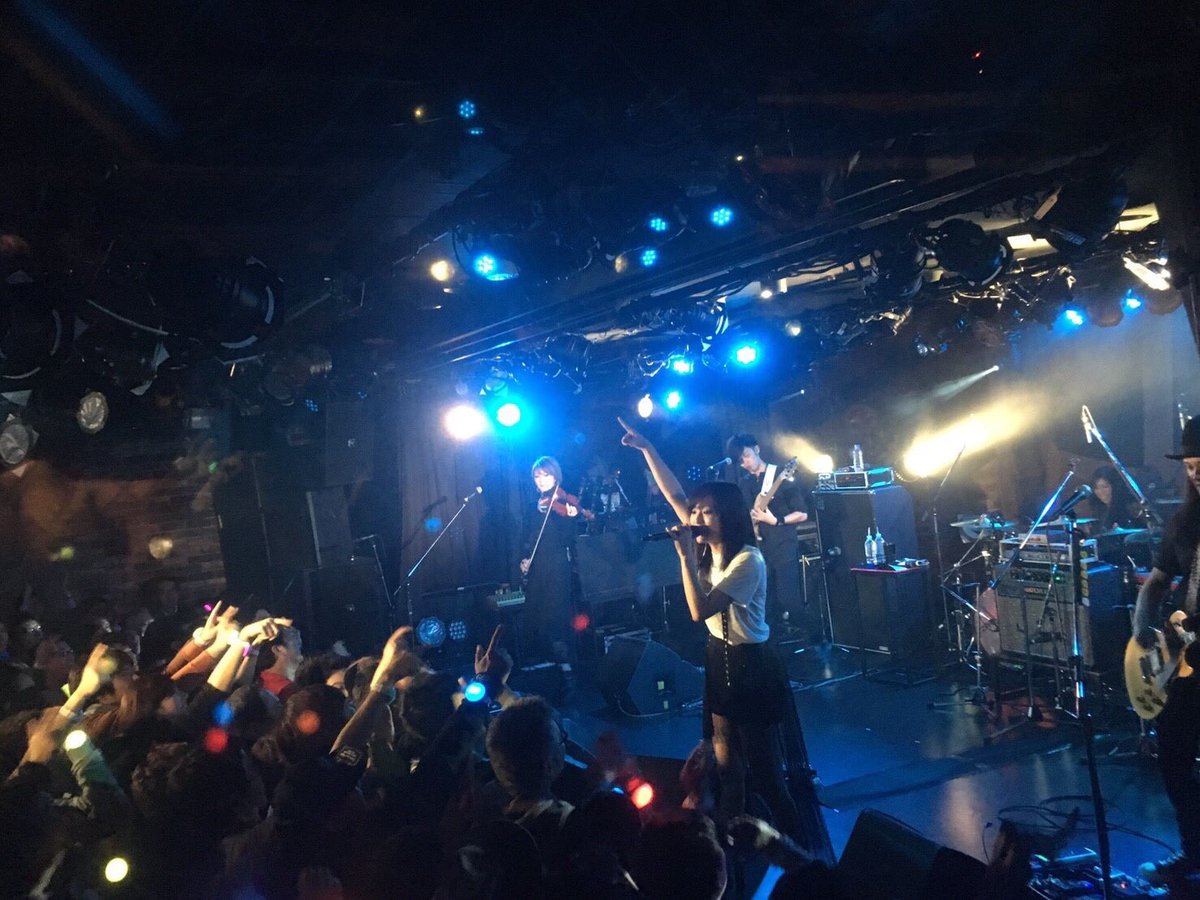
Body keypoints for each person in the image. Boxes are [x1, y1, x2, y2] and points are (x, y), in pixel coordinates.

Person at [620, 417, 802, 838]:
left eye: (706, 511)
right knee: (727, 769)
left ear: (728, 517)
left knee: (767, 775)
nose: (695, 516)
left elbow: (699, 610)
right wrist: (647, 448)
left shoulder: (748, 561)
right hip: (719, 658)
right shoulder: (707, 544)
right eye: (696, 510)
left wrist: (685, 558)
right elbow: (674, 494)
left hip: (752, 665)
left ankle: (802, 854)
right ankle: (727, 846)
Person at [1132, 417, 1200, 886]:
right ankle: (1194, 851)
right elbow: (1157, 582)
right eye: (1191, 467)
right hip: (1190, 661)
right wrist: (1142, 626)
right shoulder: (1183, 522)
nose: (1196, 475)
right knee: (1173, 753)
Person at [726, 433, 810, 633]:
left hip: (783, 545)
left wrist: (777, 521)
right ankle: (771, 644)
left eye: (746, 456)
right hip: (759, 548)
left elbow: (802, 513)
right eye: (740, 461)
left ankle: (815, 638)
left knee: (788, 597)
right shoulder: (744, 483)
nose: (745, 463)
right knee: (765, 602)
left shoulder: (782, 475)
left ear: (756, 449)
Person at [519, 456, 586, 670]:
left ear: (556, 477)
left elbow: (567, 538)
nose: (541, 480)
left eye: (546, 475)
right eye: (537, 477)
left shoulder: (564, 504)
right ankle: (545, 665)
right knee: (535, 614)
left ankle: (566, 668)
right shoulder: (532, 507)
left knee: (555, 615)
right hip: (537, 566)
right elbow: (529, 538)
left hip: (557, 565)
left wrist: (570, 515)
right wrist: (525, 558)